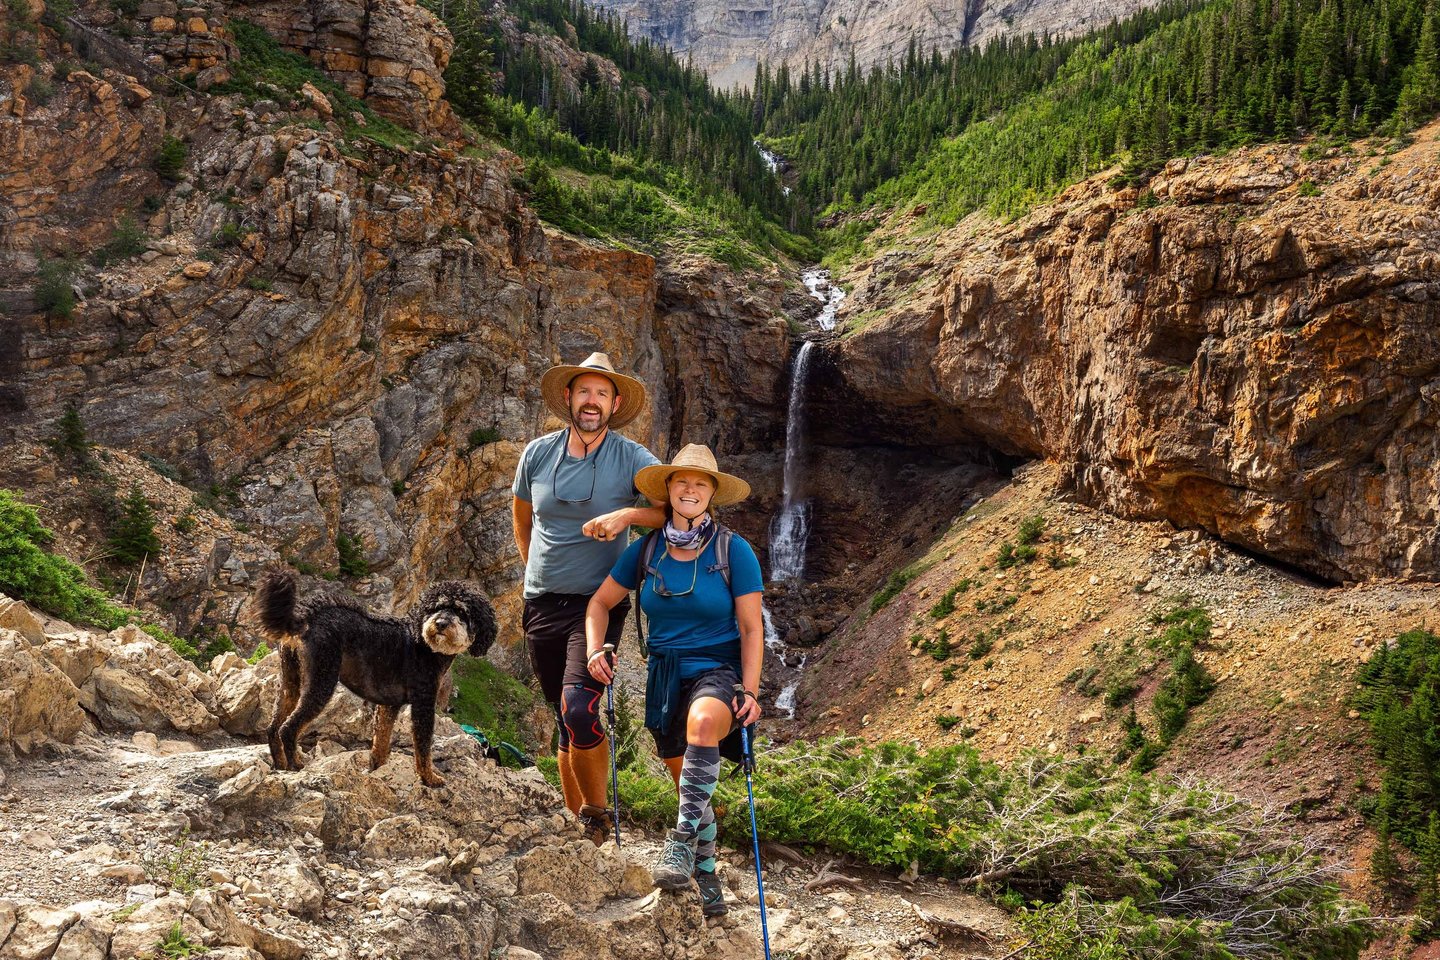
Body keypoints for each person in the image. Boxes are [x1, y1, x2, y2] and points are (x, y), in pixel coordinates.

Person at [584, 443, 764, 917]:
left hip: (719, 672)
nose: (690, 488)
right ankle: (706, 875)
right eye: (682, 480)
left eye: (700, 483)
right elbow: (599, 604)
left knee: (703, 726)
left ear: (712, 494)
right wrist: (594, 648)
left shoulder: (733, 550)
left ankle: (680, 842)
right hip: (663, 675)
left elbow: (751, 628)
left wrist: (751, 690)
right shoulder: (646, 550)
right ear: (667, 490)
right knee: (690, 787)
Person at [512, 352, 665, 843]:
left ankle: (597, 817)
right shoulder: (537, 453)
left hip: (597, 605)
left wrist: (626, 516)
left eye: (602, 393)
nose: (592, 401)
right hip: (541, 602)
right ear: (568, 397)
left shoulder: (632, 456)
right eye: (584, 391)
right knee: (563, 715)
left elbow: (676, 509)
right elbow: (522, 516)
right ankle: (576, 826)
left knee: (580, 707)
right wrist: (534, 568)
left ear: (615, 402)